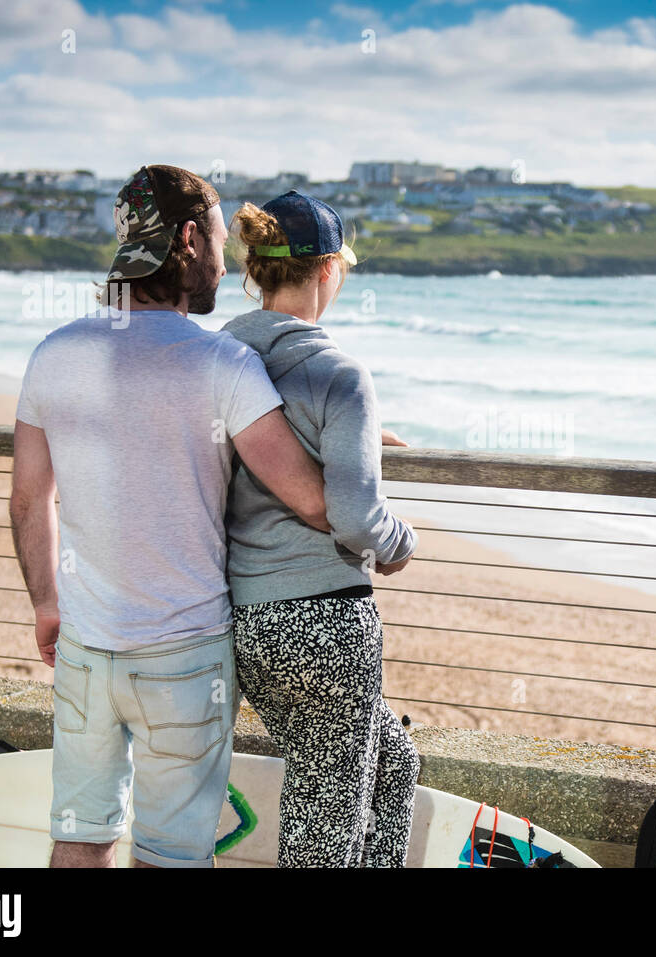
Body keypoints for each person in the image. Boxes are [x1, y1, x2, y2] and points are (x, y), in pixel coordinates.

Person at [9, 165, 331, 869]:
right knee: (171, 854)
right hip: (186, 654)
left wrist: (45, 605)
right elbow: (310, 496)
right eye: (218, 242)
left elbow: (31, 500)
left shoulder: (55, 354)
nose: (224, 262)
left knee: (79, 836)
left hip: (86, 648)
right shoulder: (222, 362)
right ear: (188, 240)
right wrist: (360, 449)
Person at [222, 190, 419, 867]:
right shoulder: (340, 373)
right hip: (326, 625)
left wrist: (357, 443)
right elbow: (360, 518)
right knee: (324, 830)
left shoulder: (221, 359)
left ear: (256, 270)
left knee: (393, 764)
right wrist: (402, 543)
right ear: (330, 270)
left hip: (248, 623)